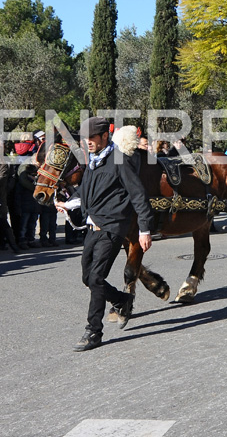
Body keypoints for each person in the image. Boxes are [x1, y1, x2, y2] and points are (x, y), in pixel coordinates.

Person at [66, 116, 154, 352]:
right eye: (85, 139)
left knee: (95, 278)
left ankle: (93, 331)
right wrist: (68, 205)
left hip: (113, 227)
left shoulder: (120, 161)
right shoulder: (95, 161)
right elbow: (84, 193)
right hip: (93, 226)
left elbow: (138, 195)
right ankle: (122, 300)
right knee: (88, 278)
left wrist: (144, 229)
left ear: (105, 136)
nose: (88, 143)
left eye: (92, 138)